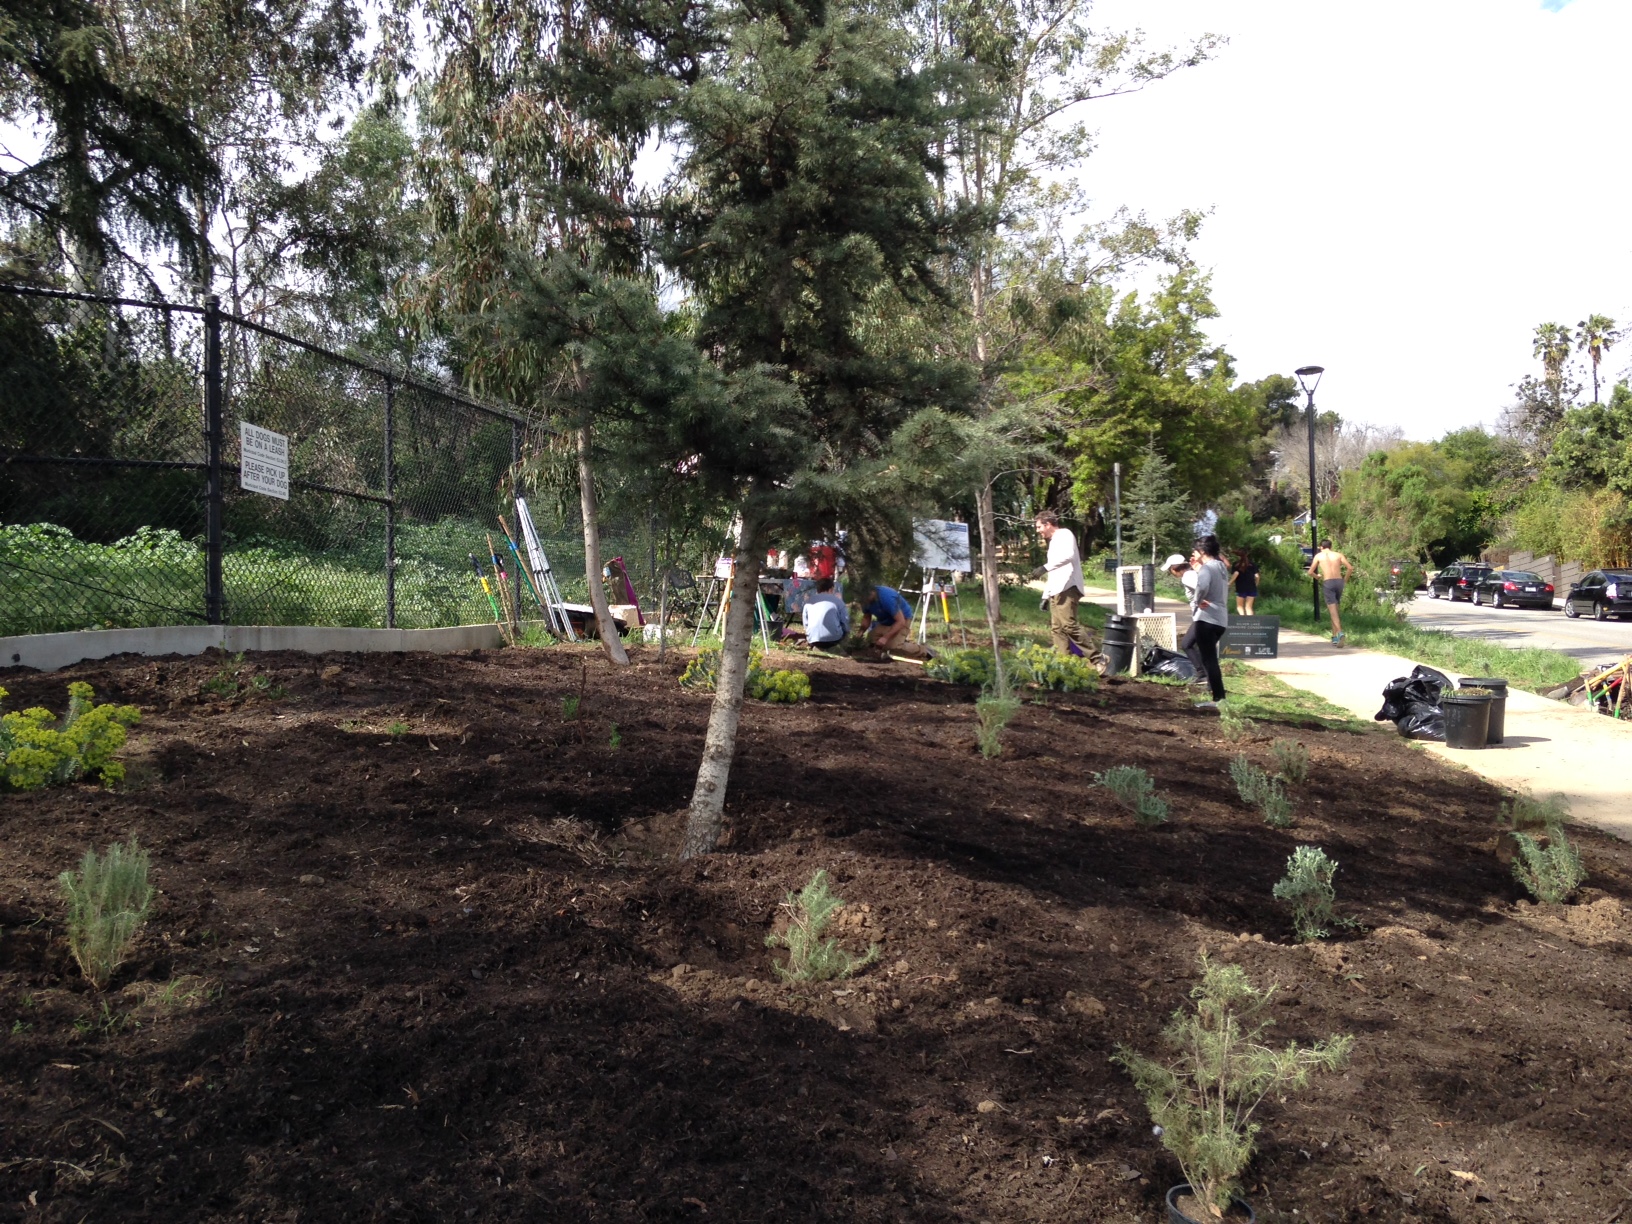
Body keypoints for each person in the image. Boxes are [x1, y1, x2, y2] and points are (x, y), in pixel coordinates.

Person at [1029, 510, 1094, 656]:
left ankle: (1097, 658)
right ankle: (1064, 663)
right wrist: (1046, 596)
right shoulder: (1053, 542)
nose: (1038, 531)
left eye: (1039, 527)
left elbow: (1069, 556)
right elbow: (1054, 572)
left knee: (1068, 625)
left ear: (1048, 524)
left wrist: (1044, 567)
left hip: (1068, 587)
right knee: (1057, 629)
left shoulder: (1064, 534)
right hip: (1057, 590)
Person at [1181, 534, 1230, 709]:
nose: (1194, 553)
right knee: (1210, 658)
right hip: (1221, 619)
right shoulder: (1222, 568)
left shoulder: (1207, 569)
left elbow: (1202, 587)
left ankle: (1218, 699)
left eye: (1195, 550)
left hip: (1206, 618)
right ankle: (1219, 697)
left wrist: (1197, 601)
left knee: (1209, 659)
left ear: (1202, 551)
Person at [1306, 538, 1354, 644]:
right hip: (1339, 581)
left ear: (1321, 547)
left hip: (1328, 582)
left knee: (1332, 610)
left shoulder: (1319, 556)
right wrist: (1344, 580)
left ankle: (1340, 632)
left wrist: (1317, 576)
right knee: (1336, 609)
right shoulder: (1338, 555)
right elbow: (1350, 568)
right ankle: (1334, 637)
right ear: (1331, 546)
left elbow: (1310, 572)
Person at [858, 583, 913, 650]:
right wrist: (860, 633)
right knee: (870, 640)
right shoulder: (865, 600)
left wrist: (885, 638)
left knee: (893, 647)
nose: (865, 600)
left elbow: (901, 622)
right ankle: (893, 640)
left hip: (902, 619)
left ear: (873, 592)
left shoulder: (887, 598)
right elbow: (867, 617)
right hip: (885, 621)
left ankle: (923, 650)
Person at [801, 577, 849, 647]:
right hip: (834, 639)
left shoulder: (808, 601)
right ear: (831, 589)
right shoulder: (838, 601)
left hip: (813, 639)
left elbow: (806, 623)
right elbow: (845, 621)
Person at [1233, 550, 1260, 616]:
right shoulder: (1252, 564)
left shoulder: (1236, 564)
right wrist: (1256, 584)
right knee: (1249, 607)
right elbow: (1257, 576)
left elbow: (1236, 574)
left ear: (1238, 556)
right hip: (1251, 587)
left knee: (1240, 606)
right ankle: (1250, 623)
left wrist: (1230, 583)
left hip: (1240, 588)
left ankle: (1243, 622)